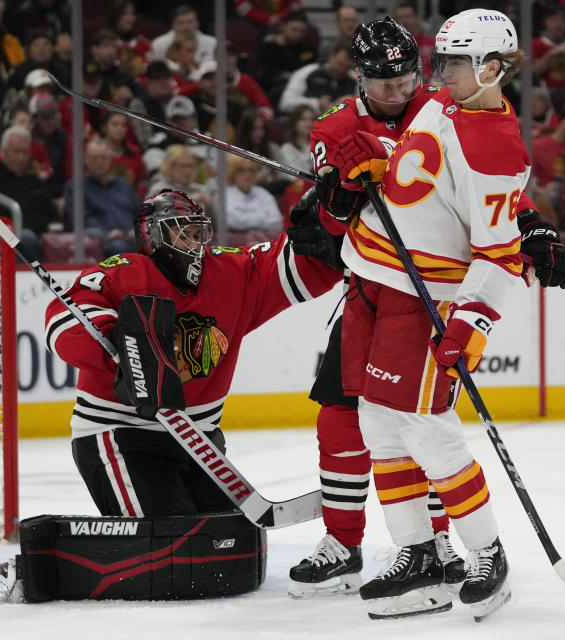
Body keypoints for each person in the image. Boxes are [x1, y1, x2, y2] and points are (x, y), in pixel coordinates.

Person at [288, 16, 565, 603]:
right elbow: (410, 180)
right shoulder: (445, 104)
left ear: (493, 67)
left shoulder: (494, 145)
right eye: (439, 62)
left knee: (427, 429)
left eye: (454, 64)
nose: (437, 77)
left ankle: (485, 553)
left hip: (422, 295)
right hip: (369, 280)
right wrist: (357, 175)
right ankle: (416, 552)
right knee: (377, 423)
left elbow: (497, 250)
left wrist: (474, 321)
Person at [45, 188, 342, 520]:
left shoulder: (231, 270)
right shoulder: (124, 273)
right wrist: (117, 342)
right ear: (153, 236)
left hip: (200, 442)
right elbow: (63, 319)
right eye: (183, 233)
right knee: (171, 546)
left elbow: (300, 265)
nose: (196, 244)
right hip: (122, 436)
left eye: (199, 233)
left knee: (230, 549)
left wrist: (332, 223)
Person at [0, 126, 59, 259]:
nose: (21, 157)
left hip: (36, 238)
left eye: (25, 152)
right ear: (3, 152)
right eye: (16, 151)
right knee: (25, 238)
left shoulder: (35, 182)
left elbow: (51, 215)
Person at [63, 137, 141, 256]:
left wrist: (135, 231)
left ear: (110, 160)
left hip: (131, 238)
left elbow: (138, 214)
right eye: (95, 158)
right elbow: (80, 222)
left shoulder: (124, 185)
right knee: (118, 247)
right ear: (86, 160)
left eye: (103, 158)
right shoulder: (76, 187)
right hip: (102, 241)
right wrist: (106, 234)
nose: (100, 162)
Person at [225, 155, 282, 235]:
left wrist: (245, 220)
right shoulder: (225, 195)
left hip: (263, 242)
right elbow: (231, 222)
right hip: (235, 244)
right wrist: (262, 217)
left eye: (251, 170)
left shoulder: (263, 193)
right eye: (241, 170)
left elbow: (277, 223)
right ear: (233, 172)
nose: (247, 174)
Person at [151, 5, 216, 65]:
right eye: (180, 23)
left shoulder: (213, 43)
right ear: (173, 25)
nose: (186, 27)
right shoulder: (158, 44)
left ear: (197, 23)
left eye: (190, 22)